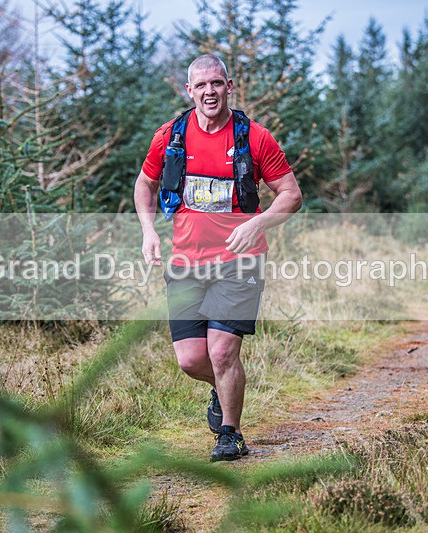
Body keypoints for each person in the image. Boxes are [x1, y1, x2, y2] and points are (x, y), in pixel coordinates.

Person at [133, 54, 302, 461]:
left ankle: (231, 434)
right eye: (201, 85)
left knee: (223, 352)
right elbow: (145, 183)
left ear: (229, 86)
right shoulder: (170, 136)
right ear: (189, 91)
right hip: (186, 261)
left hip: (239, 261)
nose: (210, 91)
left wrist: (257, 223)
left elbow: (292, 195)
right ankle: (224, 389)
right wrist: (148, 230)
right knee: (192, 359)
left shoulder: (254, 138)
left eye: (217, 83)